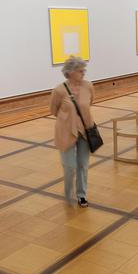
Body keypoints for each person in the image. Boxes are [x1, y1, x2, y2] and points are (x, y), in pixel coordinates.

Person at [50, 56, 95, 208]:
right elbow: (53, 110)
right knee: (69, 166)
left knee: (83, 165)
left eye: (84, 70)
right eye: (80, 70)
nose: (83, 73)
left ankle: (81, 195)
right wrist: (69, 119)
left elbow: (90, 103)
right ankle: (68, 192)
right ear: (70, 72)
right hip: (66, 131)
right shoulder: (59, 90)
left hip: (85, 131)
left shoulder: (88, 86)